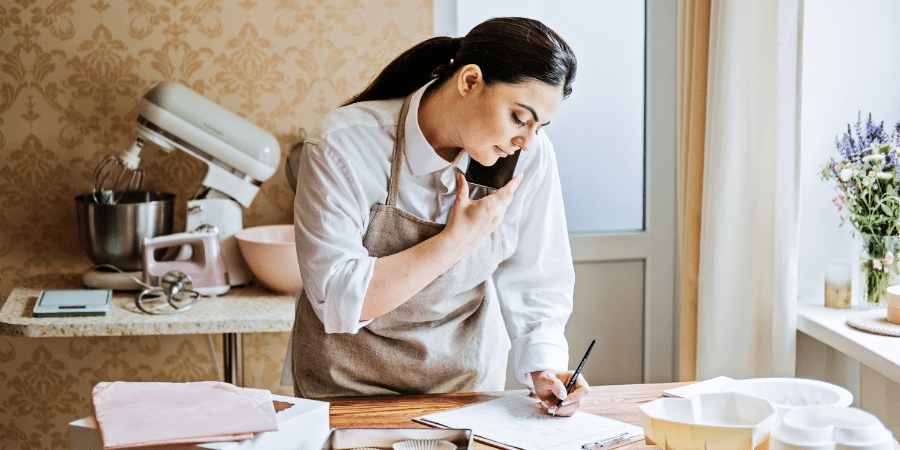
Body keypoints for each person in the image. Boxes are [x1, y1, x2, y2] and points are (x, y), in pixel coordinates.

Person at [288, 16, 587, 416]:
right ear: (469, 81)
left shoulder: (523, 158)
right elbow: (340, 300)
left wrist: (545, 367)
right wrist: (455, 242)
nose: (527, 142)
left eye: (539, 126)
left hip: (465, 390)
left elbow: (537, 276)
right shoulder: (343, 145)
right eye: (519, 117)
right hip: (346, 391)